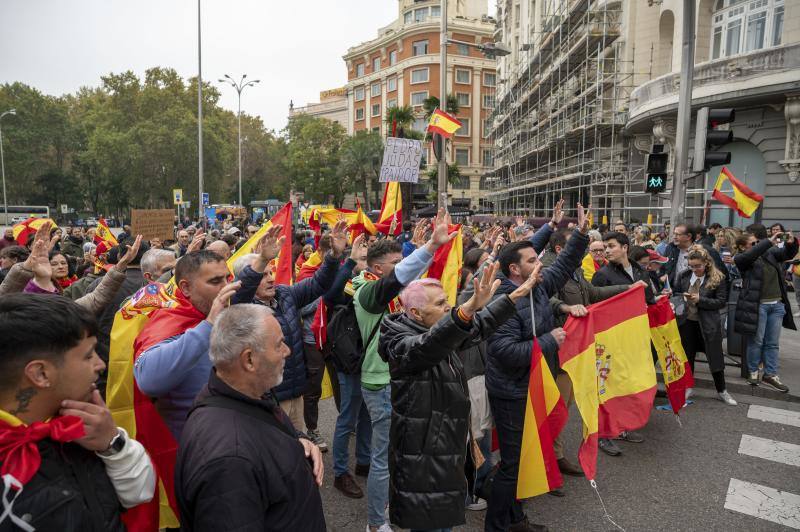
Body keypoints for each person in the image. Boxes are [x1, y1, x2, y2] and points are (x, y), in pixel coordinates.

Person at [380, 265, 539, 532]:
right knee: (430, 522)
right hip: (423, 453)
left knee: (442, 518)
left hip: (445, 444)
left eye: (449, 302)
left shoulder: (442, 330)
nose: (448, 308)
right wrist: (466, 309)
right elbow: (425, 348)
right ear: (416, 313)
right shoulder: (400, 341)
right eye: (441, 303)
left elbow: (477, 326)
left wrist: (513, 297)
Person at [0, 294, 155, 531]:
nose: (100, 365)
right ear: (40, 374)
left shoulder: (81, 424)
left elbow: (138, 494)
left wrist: (112, 444)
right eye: (88, 355)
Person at [485, 202, 590, 532]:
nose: (540, 263)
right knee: (512, 465)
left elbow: (562, 265)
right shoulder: (504, 297)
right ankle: (498, 525)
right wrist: (550, 341)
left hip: (532, 384)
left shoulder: (538, 284)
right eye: (532, 261)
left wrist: (580, 234)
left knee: (524, 459)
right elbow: (503, 350)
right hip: (512, 389)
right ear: (515, 271)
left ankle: (516, 519)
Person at [175, 304, 325, 532]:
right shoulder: (229, 461)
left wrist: (297, 441)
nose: (287, 351)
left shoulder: (245, 395)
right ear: (249, 360)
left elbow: (263, 431)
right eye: (278, 345)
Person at [353, 212, 454, 532]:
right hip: (382, 383)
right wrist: (428, 248)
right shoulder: (366, 293)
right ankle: (375, 523)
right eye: (397, 261)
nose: (404, 265)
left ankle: (399, 508)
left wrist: (427, 248)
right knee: (383, 459)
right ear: (379, 269)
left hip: (401, 381)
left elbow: (411, 278)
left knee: (405, 455)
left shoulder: (398, 293)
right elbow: (399, 280)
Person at [232, 223, 346, 431]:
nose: (271, 278)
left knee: (297, 448)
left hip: (295, 393)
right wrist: (263, 259)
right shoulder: (242, 308)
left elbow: (318, 284)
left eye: (271, 272)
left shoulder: (284, 294)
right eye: (264, 274)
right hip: (268, 395)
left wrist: (332, 257)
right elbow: (241, 294)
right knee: (275, 453)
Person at [547, 231, 631, 480]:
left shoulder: (575, 272)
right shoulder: (551, 271)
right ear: (563, 249)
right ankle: (551, 460)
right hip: (560, 353)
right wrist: (565, 306)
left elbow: (592, 294)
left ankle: (556, 455)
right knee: (557, 408)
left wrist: (628, 288)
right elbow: (545, 298)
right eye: (582, 248)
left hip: (577, 350)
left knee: (566, 405)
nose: (590, 254)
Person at [133, 249, 242, 439]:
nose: (226, 287)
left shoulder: (223, 316)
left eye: (228, 278)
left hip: (233, 437)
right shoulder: (170, 320)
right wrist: (208, 325)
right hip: (194, 447)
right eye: (215, 281)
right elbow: (148, 380)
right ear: (185, 288)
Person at [591, 231, 654, 456]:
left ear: (625, 247)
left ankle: (623, 426)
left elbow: (648, 299)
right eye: (605, 247)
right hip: (610, 340)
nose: (606, 250)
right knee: (607, 386)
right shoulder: (602, 275)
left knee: (627, 383)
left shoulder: (639, 270)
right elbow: (595, 306)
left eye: (611, 246)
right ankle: (602, 435)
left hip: (633, 339)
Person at [734, 225, 797, 392]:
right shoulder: (741, 258)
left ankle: (770, 374)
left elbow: (787, 254)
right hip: (758, 305)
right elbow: (751, 255)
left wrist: (791, 243)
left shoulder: (769, 252)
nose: (757, 245)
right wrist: (768, 241)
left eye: (758, 242)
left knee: (772, 343)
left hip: (776, 305)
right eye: (753, 243)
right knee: (757, 341)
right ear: (743, 247)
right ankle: (753, 371)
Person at [674, 245, 736, 405]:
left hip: (708, 324)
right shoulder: (683, 275)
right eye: (692, 266)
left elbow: (721, 302)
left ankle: (722, 391)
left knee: (715, 358)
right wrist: (675, 298)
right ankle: (688, 388)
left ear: (707, 263)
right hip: (687, 322)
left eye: (698, 266)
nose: (695, 269)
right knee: (687, 357)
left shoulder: (718, 278)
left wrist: (701, 300)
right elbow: (677, 294)